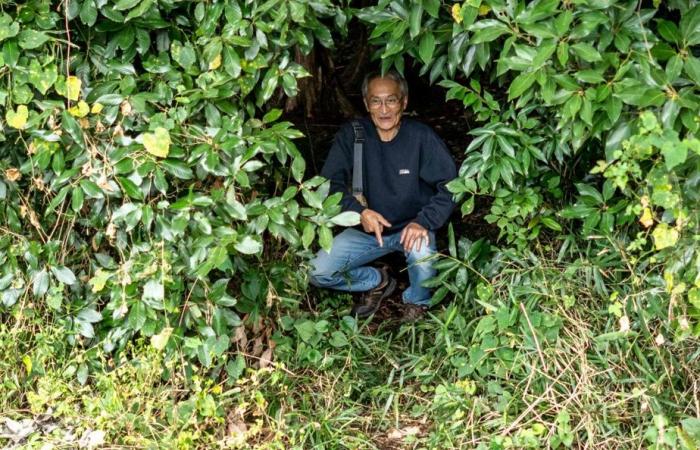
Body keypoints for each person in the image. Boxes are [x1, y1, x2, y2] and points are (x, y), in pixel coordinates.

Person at [309, 70, 457, 320]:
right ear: (367, 104)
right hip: (366, 230)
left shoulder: (420, 137)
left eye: (391, 100)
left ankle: (417, 303)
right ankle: (377, 280)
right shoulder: (353, 135)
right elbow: (328, 184)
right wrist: (358, 213)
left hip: (411, 227)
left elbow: (451, 185)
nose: (384, 109)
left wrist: (424, 221)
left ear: (404, 102)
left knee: (423, 256)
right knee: (317, 271)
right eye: (376, 101)